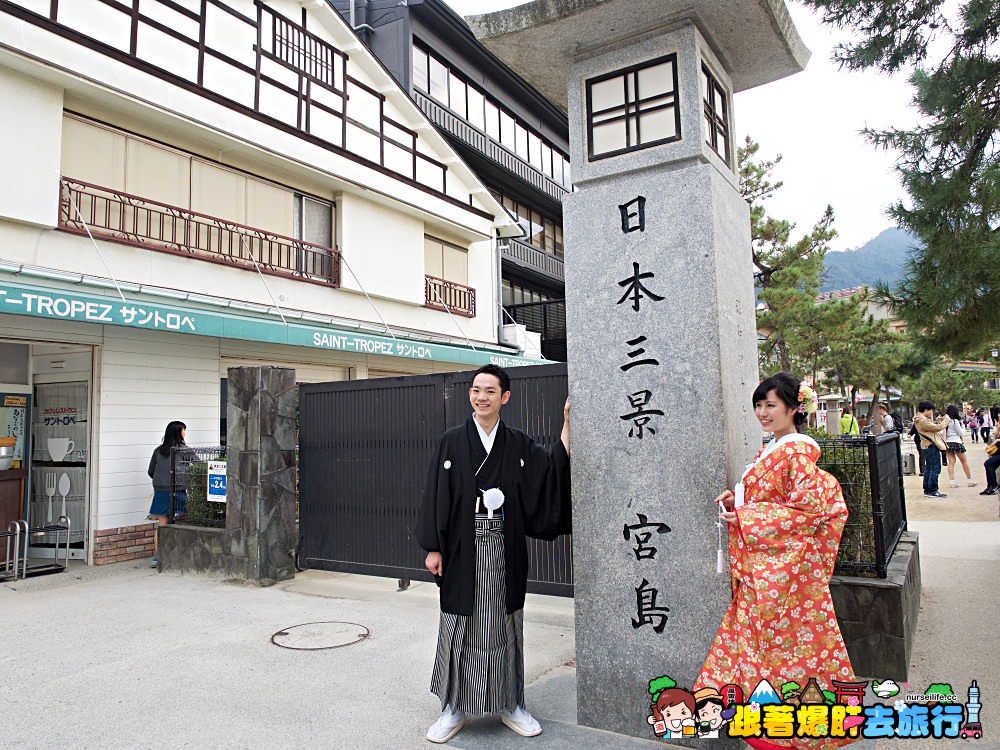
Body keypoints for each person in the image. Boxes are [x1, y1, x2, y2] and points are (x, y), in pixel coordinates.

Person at [696, 373, 856, 750]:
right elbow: (777, 501)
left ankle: (785, 732)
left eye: (771, 405)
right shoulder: (775, 448)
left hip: (784, 578)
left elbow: (807, 509)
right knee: (770, 649)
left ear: (794, 408)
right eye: (759, 404)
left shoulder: (796, 452)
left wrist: (749, 518)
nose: (762, 412)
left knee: (783, 650)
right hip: (768, 572)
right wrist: (740, 504)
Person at [416, 364, 571, 744]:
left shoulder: (516, 442)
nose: (480, 396)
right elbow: (436, 493)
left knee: (506, 623)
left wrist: (568, 426)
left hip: (504, 549)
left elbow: (548, 467)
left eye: (489, 391)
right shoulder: (452, 441)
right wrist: (433, 547)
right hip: (460, 551)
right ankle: (454, 707)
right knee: (458, 625)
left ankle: (510, 703)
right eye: (475, 390)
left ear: (505, 397)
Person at [147, 420, 188, 568]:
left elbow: (151, 471)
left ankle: (158, 556)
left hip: (161, 491)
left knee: (162, 524)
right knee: (180, 521)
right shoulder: (183, 451)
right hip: (178, 490)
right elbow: (198, 465)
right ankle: (179, 554)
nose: (185, 433)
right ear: (179, 433)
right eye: (184, 430)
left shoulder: (159, 451)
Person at [914, 401, 950, 498]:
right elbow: (937, 427)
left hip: (926, 446)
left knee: (929, 468)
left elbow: (933, 425)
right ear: (926, 410)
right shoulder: (922, 420)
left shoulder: (920, 419)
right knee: (935, 468)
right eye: (931, 411)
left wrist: (939, 419)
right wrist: (946, 420)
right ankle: (933, 490)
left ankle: (928, 490)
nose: (931, 413)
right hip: (930, 446)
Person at [944, 404, 976, 488]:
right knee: (964, 461)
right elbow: (961, 433)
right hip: (956, 442)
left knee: (951, 462)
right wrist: (963, 426)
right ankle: (970, 480)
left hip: (948, 442)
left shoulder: (946, 421)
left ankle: (952, 481)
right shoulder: (955, 421)